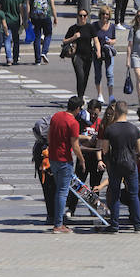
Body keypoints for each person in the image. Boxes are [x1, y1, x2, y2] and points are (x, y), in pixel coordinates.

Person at [98, 100, 140, 233]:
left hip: (115, 164)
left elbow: (105, 149)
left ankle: (114, 225)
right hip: (130, 164)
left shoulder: (110, 129)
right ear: (127, 112)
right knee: (134, 194)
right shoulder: (134, 129)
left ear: (116, 112)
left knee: (115, 194)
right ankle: (137, 224)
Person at [48, 96, 86, 233]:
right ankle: (58, 224)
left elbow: (49, 135)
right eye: (80, 108)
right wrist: (82, 160)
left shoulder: (56, 116)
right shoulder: (73, 122)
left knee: (58, 190)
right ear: (77, 108)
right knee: (62, 192)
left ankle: (57, 220)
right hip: (64, 159)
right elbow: (75, 146)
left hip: (53, 158)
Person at [62, 10, 101, 99]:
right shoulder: (73, 28)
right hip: (77, 55)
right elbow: (64, 41)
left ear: (87, 17)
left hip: (88, 55)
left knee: (86, 77)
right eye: (80, 16)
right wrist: (73, 37)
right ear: (78, 17)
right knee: (80, 76)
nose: (82, 18)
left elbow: (96, 40)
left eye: (84, 16)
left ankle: (81, 95)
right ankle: (80, 97)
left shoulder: (90, 27)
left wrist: (98, 51)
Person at [27, 0, 57, 66]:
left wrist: (27, 16)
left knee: (37, 36)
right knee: (48, 34)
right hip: (46, 16)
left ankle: (37, 59)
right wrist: (55, 17)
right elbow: (52, 6)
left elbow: (27, 5)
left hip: (35, 16)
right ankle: (44, 51)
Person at [91, 6, 117, 105]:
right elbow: (94, 39)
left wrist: (111, 41)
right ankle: (100, 95)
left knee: (109, 73)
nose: (105, 16)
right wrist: (97, 50)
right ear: (100, 15)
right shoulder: (95, 25)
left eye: (107, 14)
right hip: (97, 52)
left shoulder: (112, 26)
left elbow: (114, 39)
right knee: (98, 74)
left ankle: (111, 95)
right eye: (103, 14)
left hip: (108, 52)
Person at [0, 0, 24, 66]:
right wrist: (24, 20)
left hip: (5, 19)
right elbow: (21, 8)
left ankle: (9, 58)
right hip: (16, 20)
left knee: (7, 39)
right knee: (16, 40)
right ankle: (16, 57)